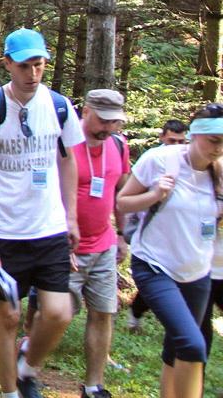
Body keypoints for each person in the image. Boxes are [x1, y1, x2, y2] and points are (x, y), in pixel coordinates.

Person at [0, 28, 84, 398]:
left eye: (39, 65)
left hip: (46, 227)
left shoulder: (59, 106)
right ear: (7, 64)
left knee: (60, 312)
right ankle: (9, 391)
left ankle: (28, 366)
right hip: (4, 230)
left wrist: (71, 216)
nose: (33, 73)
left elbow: (68, 162)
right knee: (10, 314)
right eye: (25, 66)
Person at [118, 103, 223, 398]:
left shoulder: (221, 173)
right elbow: (123, 203)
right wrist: (154, 195)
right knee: (192, 345)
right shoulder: (160, 160)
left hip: (198, 271)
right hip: (154, 265)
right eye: (214, 141)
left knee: (176, 348)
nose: (218, 149)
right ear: (195, 136)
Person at [59, 89, 131, 398]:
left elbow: (122, 191)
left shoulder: (118, 144)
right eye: (103, 120)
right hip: (66, 245)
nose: (108, 128)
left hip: (103, 243)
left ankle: (93, 385)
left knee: (103, 313)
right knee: (55, 314)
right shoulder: (65, 143)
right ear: (86, 111)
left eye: (114, 122)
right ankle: (28, 368)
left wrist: (122, 235)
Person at [125, 119, 189, 331]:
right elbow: (130, 195)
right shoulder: (152, 159)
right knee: (156, 275)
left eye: (181, 141)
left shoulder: (193, 162)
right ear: (162, 137)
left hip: (182, 233)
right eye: (172, 140)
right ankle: (136, 313)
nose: (177, 146)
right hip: (151, 230)